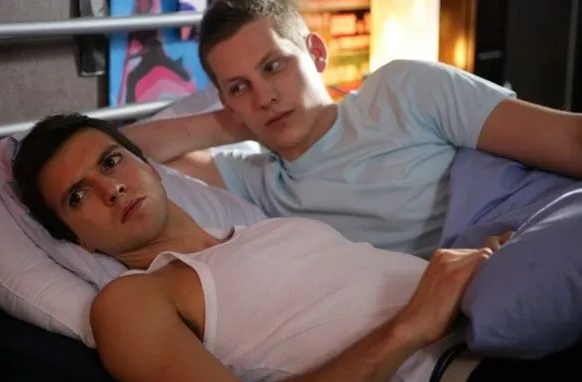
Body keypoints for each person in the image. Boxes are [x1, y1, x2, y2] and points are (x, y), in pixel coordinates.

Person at [12, 113, 498, 382]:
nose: (111, 188)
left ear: (152, 168)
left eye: (112, 161)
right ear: (76, 241)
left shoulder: (261, 228)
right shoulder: (134, 298)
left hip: (495, 316)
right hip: (458, 377)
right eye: (78, 196)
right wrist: (412, 325)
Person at [123, 0, 582, 259]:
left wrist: (243, 105)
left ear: (316, 54)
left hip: (536, 239)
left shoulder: (404, 90)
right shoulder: (259, 181)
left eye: (274, 66)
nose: (264, 97)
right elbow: (119, 152)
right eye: (240, 87)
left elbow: (568, 139)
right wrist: (228, 121)